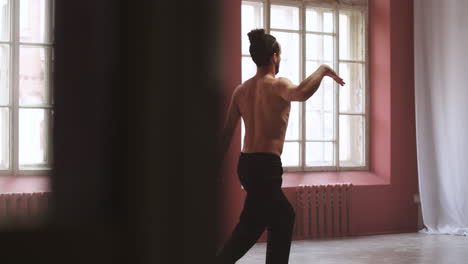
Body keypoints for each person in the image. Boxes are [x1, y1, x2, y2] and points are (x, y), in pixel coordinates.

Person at [216, 28, 345, 264]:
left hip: (246, 165)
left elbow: (225, 136)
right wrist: (323, 70)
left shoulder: (241, 91)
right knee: (273, 220)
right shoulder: (277, 85)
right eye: (280, 54)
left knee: (266, 220)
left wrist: (216, 169)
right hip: (266, 166)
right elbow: (302, 92)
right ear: (274, 56)